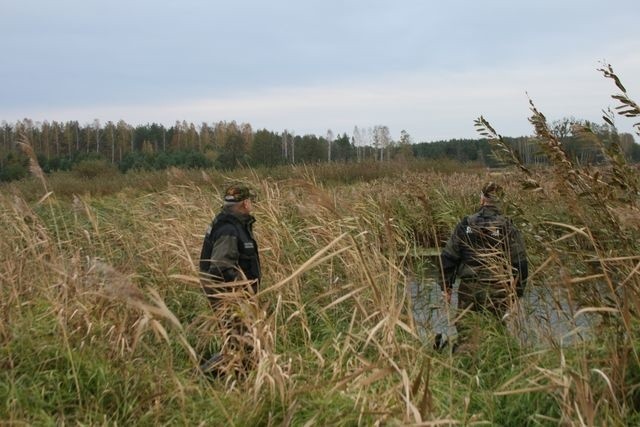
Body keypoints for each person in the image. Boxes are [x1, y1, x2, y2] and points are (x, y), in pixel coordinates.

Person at [437, 182, 528, 349]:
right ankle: (493, 367)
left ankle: (465, 365)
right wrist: (517, 292)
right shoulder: (507, 226)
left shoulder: (466, 225)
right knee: (495, 331)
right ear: (501, 201)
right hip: (497, 288)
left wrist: (446, 287)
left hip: (469, 287)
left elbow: (448, 256)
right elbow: (519, 262)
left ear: (482, 199)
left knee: (465, 331)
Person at [198, 183, 261, 376]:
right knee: (238, 343)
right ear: (244, 203)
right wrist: (239, 295)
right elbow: (220, 267)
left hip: (235, 297)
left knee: (242, 343)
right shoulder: (229, 230)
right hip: (230, 297)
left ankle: (239, 381)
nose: (251, 204)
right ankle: (204, 376)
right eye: (250, 201)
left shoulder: (233, 225)